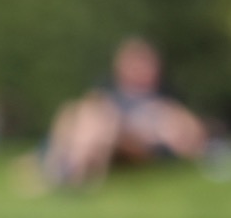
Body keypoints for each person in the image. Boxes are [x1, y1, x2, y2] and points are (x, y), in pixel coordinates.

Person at [40, 36, 207, 189]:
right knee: (76, 111)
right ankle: (69, 167)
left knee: (102, 119)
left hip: (137, 144)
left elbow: (188, 135)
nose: (137, 69)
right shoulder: (109, 94)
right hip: (103, 138)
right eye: (131, 62)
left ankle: (68, 171)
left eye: (142, 63)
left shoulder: (163, 102)